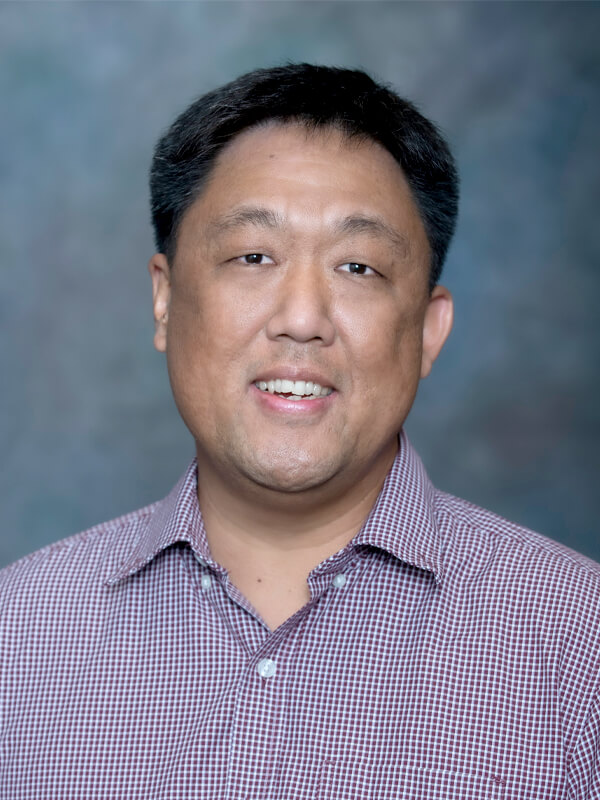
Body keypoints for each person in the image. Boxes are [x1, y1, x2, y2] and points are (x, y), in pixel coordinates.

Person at [0, 64, 598, 799]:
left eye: (359, 266)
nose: (304, 319)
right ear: (164, 298)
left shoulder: (578, 647)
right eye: (253, 256)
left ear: (429, 331)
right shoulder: (18, 634)